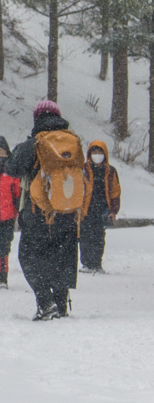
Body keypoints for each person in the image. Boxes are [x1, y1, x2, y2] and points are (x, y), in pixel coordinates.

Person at [4, 101, 88, 319]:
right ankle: (61, 303)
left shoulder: (35, 143)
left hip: (39, 213)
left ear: (37, 119)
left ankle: (45, 301)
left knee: (29, 256)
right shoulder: (73, 141)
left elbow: (12, 168)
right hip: (69, 211)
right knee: (62, 257)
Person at [79, 140, 122, 273]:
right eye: (94, 152)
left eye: (99, 152)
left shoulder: (110, 171)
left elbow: (115, 192)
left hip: (102, 209)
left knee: (99, 237)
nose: (97, 155)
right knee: (85, 237)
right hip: (86, 209)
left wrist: (114, 210)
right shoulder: (83, 169)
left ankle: (97, 263)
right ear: (89, 154)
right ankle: (86, 263)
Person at [0, 137, 19, 287]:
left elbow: (17, 193)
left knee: (4, 247)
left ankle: (2, 277)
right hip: (8, 214)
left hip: (7, 216)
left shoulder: (12, 172)